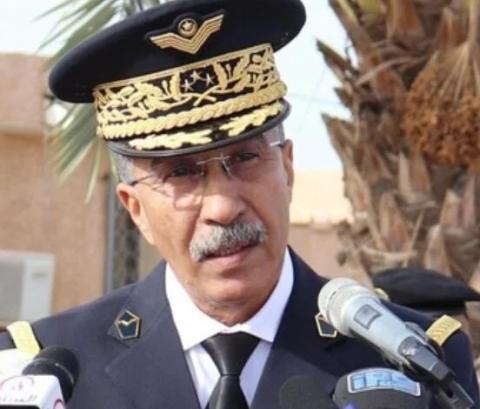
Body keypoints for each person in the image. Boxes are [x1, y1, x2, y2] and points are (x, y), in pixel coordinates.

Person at [0, 0, 479, 408]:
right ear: (135, 208)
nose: (223, 207)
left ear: (287, 168)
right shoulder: (50, 375)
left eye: (245, 158)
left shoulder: (417, 361)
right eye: (181, 173)